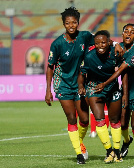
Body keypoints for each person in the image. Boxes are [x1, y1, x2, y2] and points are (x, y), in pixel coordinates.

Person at [45, 7, 124, 164]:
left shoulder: (85, 36)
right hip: (63, 85)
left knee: (85, 120)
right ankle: (79, 152)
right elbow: (50, 66)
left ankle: (79, 142)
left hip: (81, 84)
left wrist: (115, 43)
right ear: (64, 24)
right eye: (68, 23)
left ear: (78, 23)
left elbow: (103, 39)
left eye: (74, 22)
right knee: (71, 118)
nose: (71, 25)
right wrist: (48, 90)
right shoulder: (57, 44)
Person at [95, 23, 134, 161]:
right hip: (125, 89)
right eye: (126, 31)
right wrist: (114, 42)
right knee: (122, 124)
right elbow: (102, 40)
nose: (128, 34)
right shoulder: (119, 47)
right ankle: (127, 141)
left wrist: (105, 84)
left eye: (132, 32)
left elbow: (122, 70)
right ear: (122, 34)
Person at [78, 30, 126, 163]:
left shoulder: (116, 53)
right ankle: (109, 151)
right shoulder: (88, 57)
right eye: (97, 43)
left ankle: (117, 152)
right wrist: (81, 86)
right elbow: (82, 73)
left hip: (112, 87)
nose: (101, 45)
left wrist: (125, 91)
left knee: (115, 121)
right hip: (94, 87)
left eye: (104, 42)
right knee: (99, 120)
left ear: (109, 42)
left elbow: (124, 71)